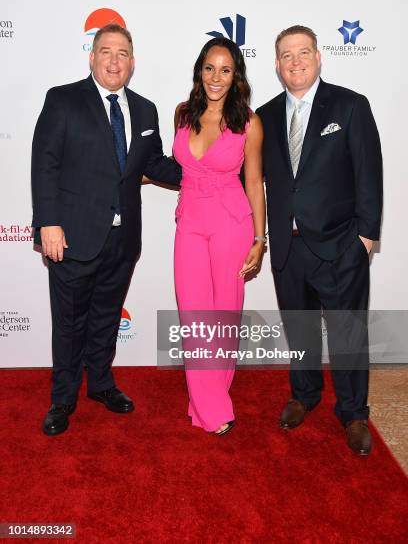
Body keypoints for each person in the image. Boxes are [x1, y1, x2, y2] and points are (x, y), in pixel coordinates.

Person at [32, 24, 181, 436]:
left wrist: (207, 173)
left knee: (104, 318)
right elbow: (45, 164)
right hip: (72, 235)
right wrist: (48, 222)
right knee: (69, 323)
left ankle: (100, 384)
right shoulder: (63, 100)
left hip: (122, 239)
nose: (115, 60)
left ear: (133, 62)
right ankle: (62, 399)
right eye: (106, 51)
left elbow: (155, 165)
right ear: (92, 57)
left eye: (123, 53)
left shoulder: (146, 109)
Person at [256, 25, 383, 455]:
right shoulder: (264, 116)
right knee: (300, 328)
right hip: (288, 248)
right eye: (286, 55)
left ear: (318, 56)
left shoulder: (350, 106)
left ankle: (353, 413)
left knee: (349, 334)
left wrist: (365, 237)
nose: (295, 61)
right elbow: (249, 179)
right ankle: (304, 394)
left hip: (340, 245)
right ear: (276, 64)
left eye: (303, 52)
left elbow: (370, 173)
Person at [173, 38, 265, 435]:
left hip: (231, 221)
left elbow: (255, 180)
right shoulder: (181, 114)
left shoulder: (249, 121)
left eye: (226, 70)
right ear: (199, 70)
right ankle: (212, 405)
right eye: (210, 68)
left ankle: (207, 405)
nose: (216, 77)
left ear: (236, 75)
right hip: (190, 221)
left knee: (224, 317)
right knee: (195, 319)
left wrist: (260, 240)